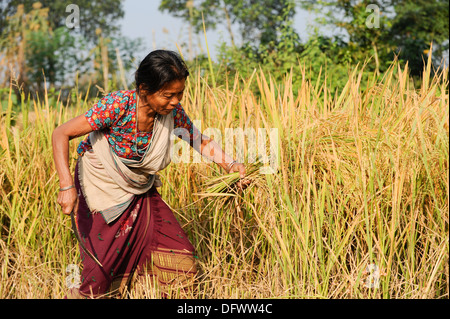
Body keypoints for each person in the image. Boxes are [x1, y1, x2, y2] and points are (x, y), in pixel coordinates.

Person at [52, 50, 247, 298]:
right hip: (100, 187)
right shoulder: (118, 105)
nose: (176, 101)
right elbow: (61, 133)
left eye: (180, 94)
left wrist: (231, 165)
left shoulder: (172, 114)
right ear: (144, 89)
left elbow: (198, 140)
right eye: (168, 95)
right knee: (100, 273)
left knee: (181, 259)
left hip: (140, 188)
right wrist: (66, 186)